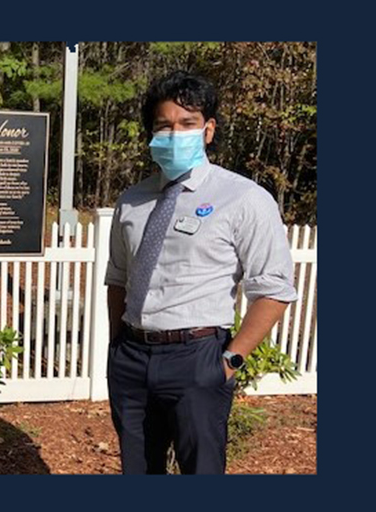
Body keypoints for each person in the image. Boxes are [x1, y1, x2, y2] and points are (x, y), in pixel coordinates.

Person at [104, 70, 298, 474]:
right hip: (132, 361)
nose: (175, 134)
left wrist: (229, 362)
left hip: (198, 360)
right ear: (151, 134)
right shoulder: (133, 201)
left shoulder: (244, 199)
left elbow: (274, 290)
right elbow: (119, 277)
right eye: (164, 125)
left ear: (208, 130)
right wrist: (116, 346)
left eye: (187, 124)